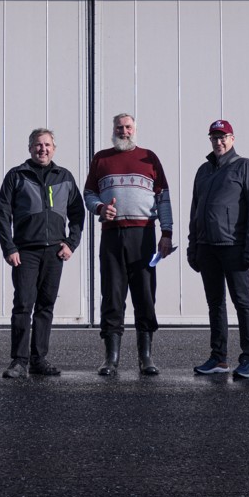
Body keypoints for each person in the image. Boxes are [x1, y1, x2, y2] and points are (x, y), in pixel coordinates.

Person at [84, 113, 174, 375]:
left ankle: (145, 357)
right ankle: (111, 359)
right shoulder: (101, 158)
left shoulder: (149, 158)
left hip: (143, 235)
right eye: (119, 128)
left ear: (135, 129)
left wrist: (166, 233)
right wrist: (100, 208)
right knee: (112, 296)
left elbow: (163, 198)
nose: (124, 131)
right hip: (112, 236)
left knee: (145, 295)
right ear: (113, 130)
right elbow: (89, 194)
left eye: (128, 127)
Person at [0, 128, 86, 378]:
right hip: (25, 252)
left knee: (46, 305)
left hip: (55, 252)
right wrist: (9, 247)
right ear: (30, 148)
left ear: (54, 149)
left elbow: (77, 213)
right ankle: (19, 361)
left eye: (47, 145)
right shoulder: (16, 176)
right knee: (23, 304)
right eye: (38, 145)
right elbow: (2, 214)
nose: (42, 149)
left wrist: (71, 243)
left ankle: (38, 359)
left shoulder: (64, 177)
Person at [187, 119, 249, 379]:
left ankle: (248, 360)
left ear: (232, 138)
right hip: (207, 247)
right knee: (215, 304)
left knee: (242, 302)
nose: (218, 142)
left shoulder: (245, 167)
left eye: (223, 137)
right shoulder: (203, 171)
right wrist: (193, 246)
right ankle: (218, 358)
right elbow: (195, 211)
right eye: (214, 138)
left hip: (234, 247)